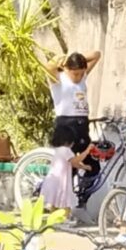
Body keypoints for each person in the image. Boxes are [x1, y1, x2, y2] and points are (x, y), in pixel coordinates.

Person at [45, 49, 98, 200]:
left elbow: (97, 55)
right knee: (67, 166)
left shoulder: (82, 77)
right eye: (75, 74)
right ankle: (58, 201)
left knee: (93, 165)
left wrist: (78, 59)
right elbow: (48, 67)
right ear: (67, 69)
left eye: (81, 73)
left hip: (82, 124)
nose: (78, 77)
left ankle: (81, 198)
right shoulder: (58, 79)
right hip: (66, 125)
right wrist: (65, 60)